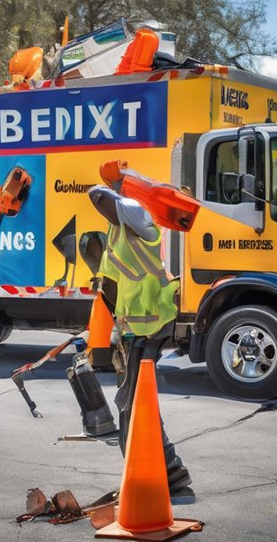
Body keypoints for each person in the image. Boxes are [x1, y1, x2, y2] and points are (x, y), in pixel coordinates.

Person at [87, 161, 200, 500]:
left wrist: (125, 182)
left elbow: (97, 195)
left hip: (148, 326)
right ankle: (166, 472)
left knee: (131, 404)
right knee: (137, 402)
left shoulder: (140, 216)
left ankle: (153, 474)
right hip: (135, 327)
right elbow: (114, 282)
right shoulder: (122, 229)